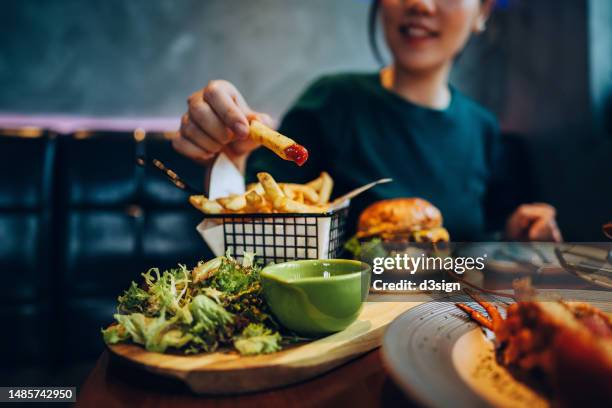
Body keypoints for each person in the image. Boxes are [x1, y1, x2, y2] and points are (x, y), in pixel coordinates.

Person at [172, 0, 562, 242]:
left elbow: (485, 240)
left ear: (483, 11)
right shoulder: (332, 101)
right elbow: (254, 224)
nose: (421, 4)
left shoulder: (483, 128)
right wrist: (229, 155)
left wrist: (521, 233)